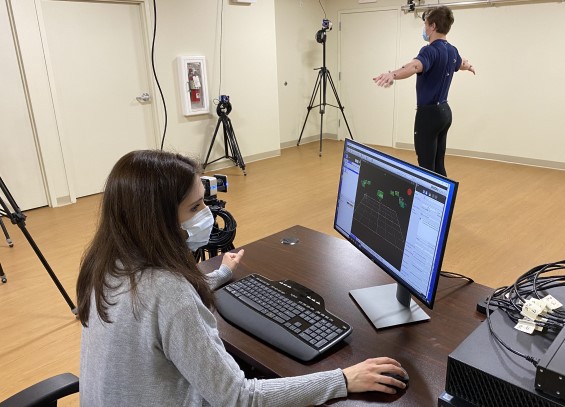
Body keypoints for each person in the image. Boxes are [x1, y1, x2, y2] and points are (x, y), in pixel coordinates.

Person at [76, 149, 407, 406]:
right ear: (157, 221)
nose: (207, 215)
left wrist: (219, 275)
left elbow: (155, 311)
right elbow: (238, 398)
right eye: (194, 208)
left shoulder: (107, 262)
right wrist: (343, 379)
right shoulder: (168, 292)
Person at [373, 6, 475, 177]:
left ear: (433, 26)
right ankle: (444, 202)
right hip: (444, 113)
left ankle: (428, 203)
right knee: (438, 163)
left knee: (426, 167)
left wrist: (392, 74)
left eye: (426, 24)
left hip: (428, 116)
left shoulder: (429, 50)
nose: (424, 28)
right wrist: (469, 66)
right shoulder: (452, 50)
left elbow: (414, 66)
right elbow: (461, 63)